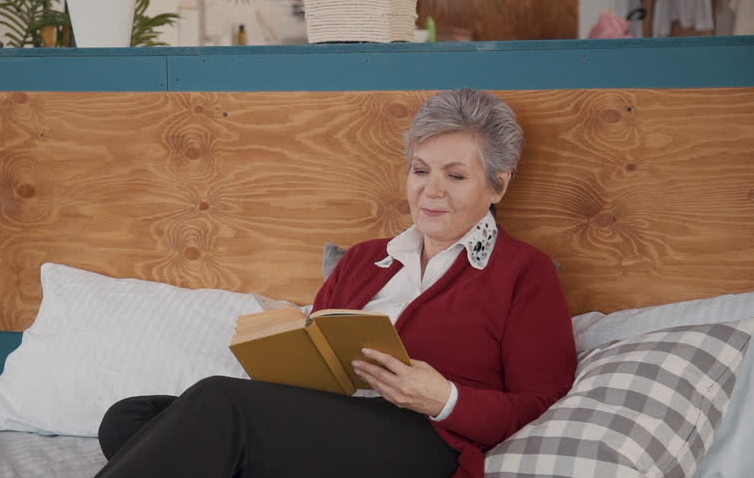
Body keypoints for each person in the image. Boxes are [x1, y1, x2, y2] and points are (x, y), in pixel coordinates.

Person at [93, 88, 577, 478]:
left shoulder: (523, 271)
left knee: (219, 404)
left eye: (455, 175)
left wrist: (445, 399)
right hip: (328, 419)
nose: (431, 190)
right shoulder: (366, 258)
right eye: (420, 170)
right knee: (130, 417)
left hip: (425, 439)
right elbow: (317, 341)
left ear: (498, 184)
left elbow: (540, 402)